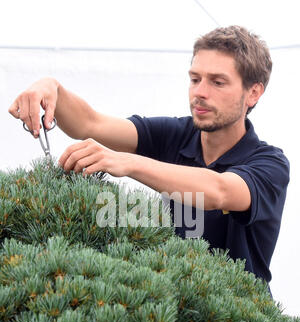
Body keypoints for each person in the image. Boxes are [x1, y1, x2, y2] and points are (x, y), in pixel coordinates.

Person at [9, 26, 289, 296]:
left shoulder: (270, 163)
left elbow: (220, 191)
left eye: (217, 82)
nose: (200, 92)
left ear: (253, 92)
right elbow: (89, 124)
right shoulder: (176, 135)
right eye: (195, 79)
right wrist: (51, 86)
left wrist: (129, 162)